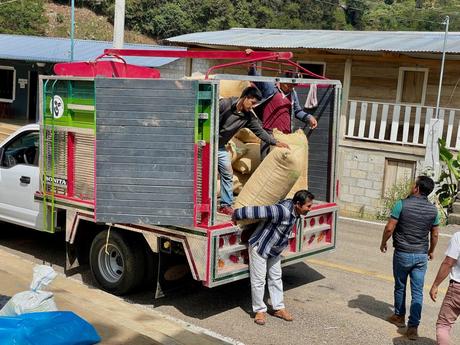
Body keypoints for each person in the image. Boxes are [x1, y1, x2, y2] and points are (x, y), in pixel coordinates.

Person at [232, 190, 314, 325]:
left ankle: (278, 308)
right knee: (258, 281)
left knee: (276, 277)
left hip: (275, 250)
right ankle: (259, 311)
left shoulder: (295, 211)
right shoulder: (281, 211)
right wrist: (236, 214)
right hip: (261, 247)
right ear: (298, 204)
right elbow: (256, 211)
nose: (310, 209)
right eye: (308, 206)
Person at [380, 176, 440, 340]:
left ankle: (399, 317)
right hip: (421, 255)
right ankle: (413, 328)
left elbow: (389, 227)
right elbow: (435, 234)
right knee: (417, 292)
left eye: (414, 183)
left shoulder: (401, 204)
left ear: (417, 188)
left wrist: (383, 242)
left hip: (402, 253)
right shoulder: (433, 210)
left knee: (400, 286)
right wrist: (431, 250)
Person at [217, 86, 289, 216]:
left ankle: (225, 205)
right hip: (206, 145)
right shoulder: (225, 105)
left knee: (227, 174)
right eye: (252, 103)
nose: (253, 107)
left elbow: (260, 132)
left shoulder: (248, 117)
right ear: (245, 98)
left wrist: (276, 142)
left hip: (220, 147)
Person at [248, 64, 318, 159]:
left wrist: (309, 117)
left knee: (281, 166)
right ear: (282, 80)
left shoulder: (293, 94)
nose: (291, 87)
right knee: (266, 164)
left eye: (293, 85)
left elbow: (297, 111)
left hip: (285, 136)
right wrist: (252, 64)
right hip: (269, 134)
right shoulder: (270, 87)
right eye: (289, 84)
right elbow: (255, 78)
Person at [430, 231, 460, 345]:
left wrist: (435, 285)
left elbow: (448, 263)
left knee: (444, 325)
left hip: (457, 287)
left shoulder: (458, 236)